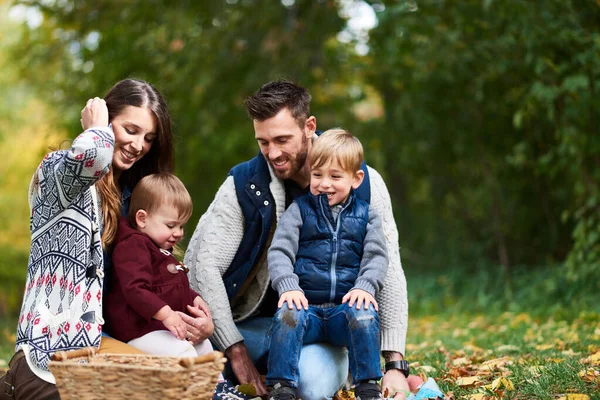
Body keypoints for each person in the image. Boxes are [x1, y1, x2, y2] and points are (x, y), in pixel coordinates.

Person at [185, 80, 411, 400]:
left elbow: (388, 269)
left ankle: (347, 365)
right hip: (260, 325)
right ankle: (257, 370)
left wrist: (395, 365)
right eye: (263, 142)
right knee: (184, 358)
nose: (273, 153)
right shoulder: (244, 183)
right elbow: (202, 264)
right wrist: (235, 351)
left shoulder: (363, 184)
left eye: (282, 139)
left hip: (333, 324)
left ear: (309, 126)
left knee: (309, 385)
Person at [0, 79, 203, 400]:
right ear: (107, 120)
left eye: (149, 138)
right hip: (52, 352)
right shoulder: (58, 174)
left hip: (112, 340)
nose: (139, 145)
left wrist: (192, 321)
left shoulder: (134, 202)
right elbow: (89, 160)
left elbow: (148, 282)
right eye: (131, 130)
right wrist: (95, 127)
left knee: (188, 376)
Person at [103, 173, 252, 399]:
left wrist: (193, 298)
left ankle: (219, 388)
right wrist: (167, 315)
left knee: (202, 346)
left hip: (157, 327)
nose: (178, 233)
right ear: (142, 219)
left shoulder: (160, 249)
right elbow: (136, 289)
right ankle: (205, 393)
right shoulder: (133, 246)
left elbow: (170, 287)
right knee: (181, 351)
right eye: (171, 225)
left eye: (181, 226)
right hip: (136, 329)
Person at [266, 129, 388, 400]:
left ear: (356, 179)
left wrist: (366, 287)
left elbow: (377, 257)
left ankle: (368, 384)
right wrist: (288, 286)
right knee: (287, 314)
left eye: (335, 176)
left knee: (364, 313)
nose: (325, 184)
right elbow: (279, 252)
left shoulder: (367, 215)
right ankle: (281, 386)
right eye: (318, 175)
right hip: (307, 309)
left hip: (342, 314)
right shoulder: (299, 211)